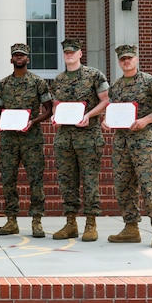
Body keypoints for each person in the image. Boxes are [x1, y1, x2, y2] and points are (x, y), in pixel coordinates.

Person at [103, 43, 152, 248]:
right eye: (123, 59)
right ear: (119, 62)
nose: (126, 61)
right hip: (122, 143)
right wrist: (107, 122)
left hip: (145, 143)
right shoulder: (115, 87)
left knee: (150, 185)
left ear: (136, 59)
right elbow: (113, 110)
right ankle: (130, 227)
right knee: (124, 186)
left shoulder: (150, 82)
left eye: (129, 58)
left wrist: (146, 120)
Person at [49, 38, 110, 242]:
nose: (69, 55)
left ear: (80, 53)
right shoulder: (58, 79)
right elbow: (57, 104)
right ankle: (70, 223)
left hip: (88, 137)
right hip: (65, 139)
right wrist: (54, 116)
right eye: (66, 52)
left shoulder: (94, 75)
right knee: (67, 182)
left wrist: (89, 115)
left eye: (73, 52)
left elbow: (106, 100)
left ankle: (91, 223)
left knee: (90, 181)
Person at [0, 43, 52, 237]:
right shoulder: (2, 85)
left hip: (31, 139)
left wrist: (33, 122)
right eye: (16, 55)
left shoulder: (38, 83)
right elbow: (0, 110)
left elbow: (50, 109)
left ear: (28, 59)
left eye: (23, 56)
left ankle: (36, 221)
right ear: (11, 59)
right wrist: (1, 121)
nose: (19, 58)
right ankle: (11, 220)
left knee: (35, 179)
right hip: (9, 139)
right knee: (8, 179)